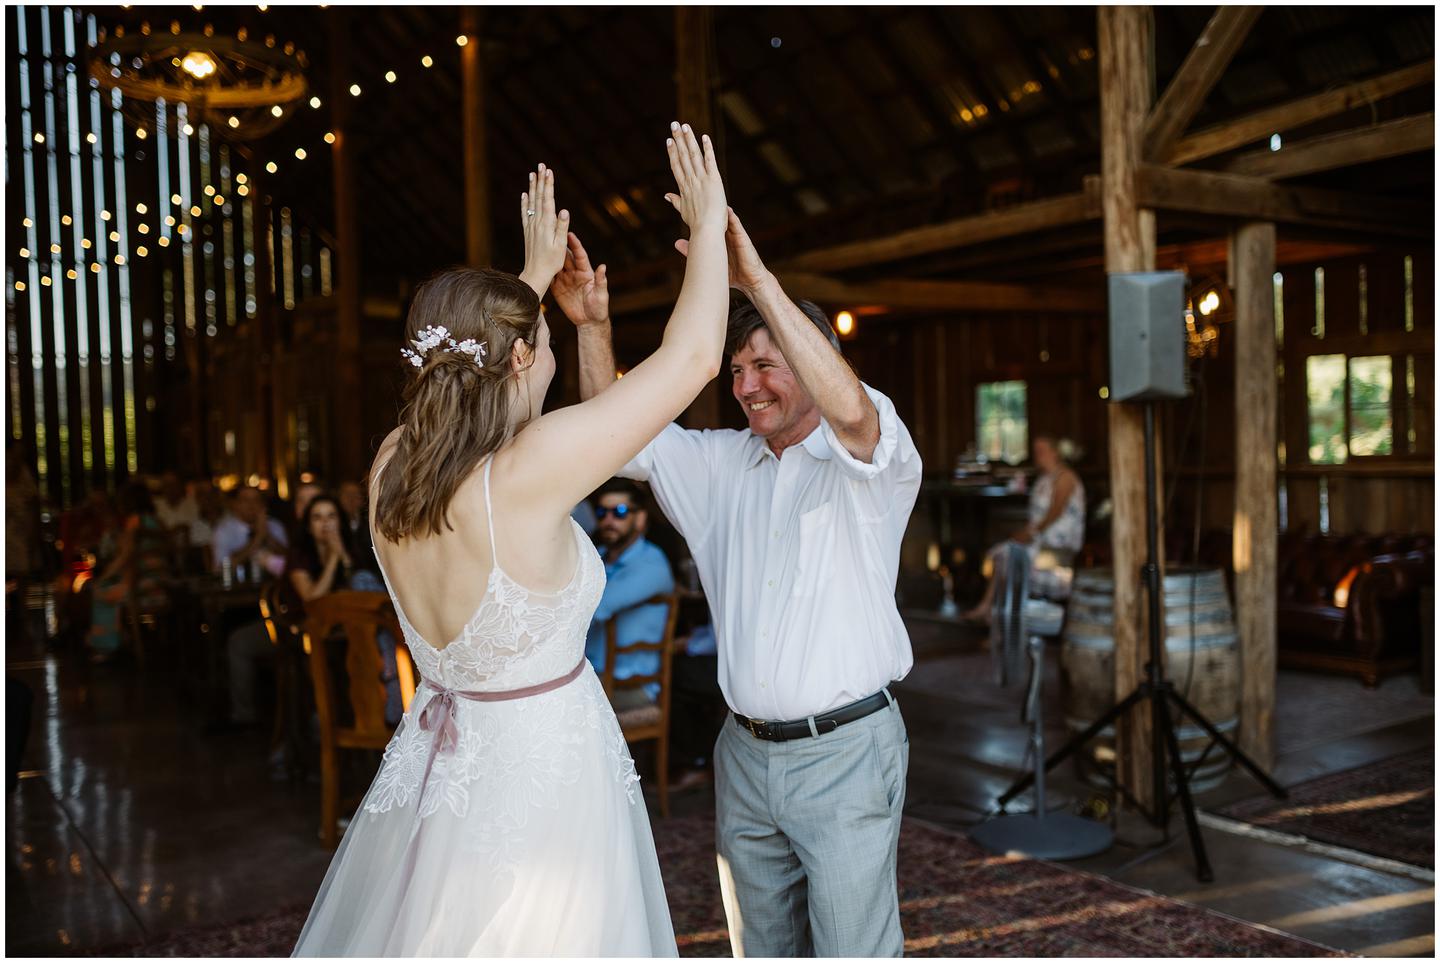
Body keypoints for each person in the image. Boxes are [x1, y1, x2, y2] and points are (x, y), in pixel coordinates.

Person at [294, 125, 729, 956]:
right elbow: (694, 357)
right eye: (542, 344)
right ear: (522, 354)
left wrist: (527, 282)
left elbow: (461, 384)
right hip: (546, 784)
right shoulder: (528, 472)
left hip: (443, 773)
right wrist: (707, 226)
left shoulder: (392, 465)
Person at [553, 213, 923, 956]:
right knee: (759, 951)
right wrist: (592, 327)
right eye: (737, 369)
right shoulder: (720, 464)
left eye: (767, 363)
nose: (746, 385)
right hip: (744, 754)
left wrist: (755, 280)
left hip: (846, 752)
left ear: (818, 360)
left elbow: (849, 410)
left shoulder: (876, 458)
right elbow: (617, 431)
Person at [962, 435, 1086, 622]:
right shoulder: (1043, 479)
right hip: (1039, 541)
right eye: (1035, 451)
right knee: (1002, 553)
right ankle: (994, 614)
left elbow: (1055, 511)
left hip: (1056, 547)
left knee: (1009, 555)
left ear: (1055, 453)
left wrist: (1031, 533)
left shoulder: (1065, 477)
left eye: (1041, 451)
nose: (1038, 455)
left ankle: (996, 616)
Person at [583, 480, 675, 710]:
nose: (608, 521)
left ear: (641, 518)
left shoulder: (652, 564)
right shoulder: (597, 556)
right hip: (590, 678)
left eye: (620, 512)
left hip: (629, 687)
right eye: (602, 512)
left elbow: (594, 607)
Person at [89, 483, 170, 662]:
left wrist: (103, 577)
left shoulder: (134, 523)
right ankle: (122, 637)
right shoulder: (157, 521)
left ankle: (107, 646)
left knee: (100, 592)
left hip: (140, 587)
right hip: (161, 584)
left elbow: (124, 557)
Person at [211, 486, 288, 579]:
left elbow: (289, 561)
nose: (251, 505)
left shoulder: (275, 525)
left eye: (256, 500)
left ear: (263, 505)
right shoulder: (224, 530)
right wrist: (258, 538)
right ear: (235, 504)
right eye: (245, 500)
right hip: (238, 589)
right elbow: (221, 568)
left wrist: (267, 535)